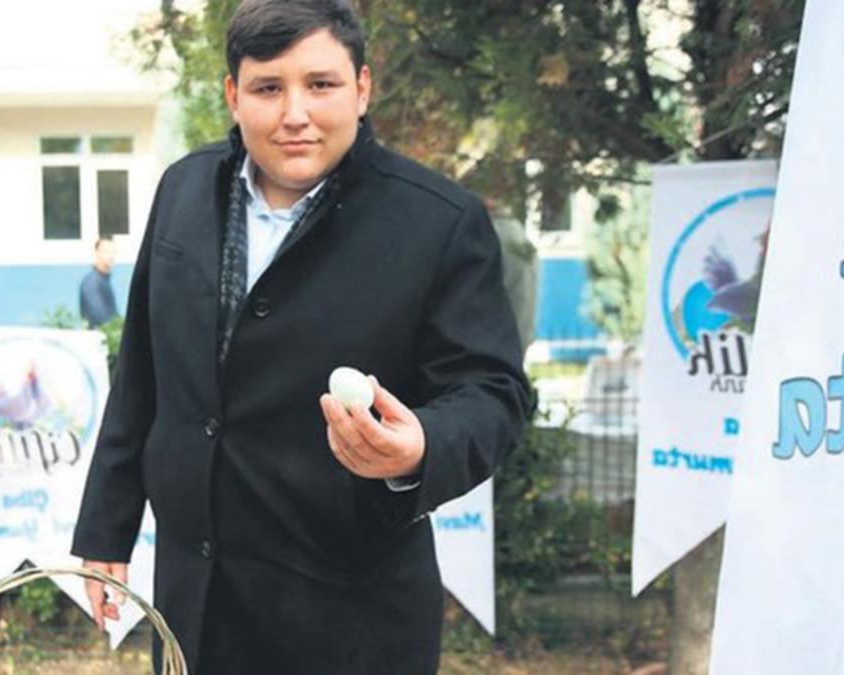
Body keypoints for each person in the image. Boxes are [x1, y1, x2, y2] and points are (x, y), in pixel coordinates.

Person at [72, 1, 533, 672]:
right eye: (268, 87)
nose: (295, 113)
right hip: (195, 604)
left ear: (362, 88)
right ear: (233, 95)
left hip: (349, 622)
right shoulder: (183, 191)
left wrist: (422, 446)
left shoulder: (438, 222)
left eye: (321, 84)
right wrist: (105, 527)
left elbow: (493, 391)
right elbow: (142, 369)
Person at [79, 237, 119, 327]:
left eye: (113, 252)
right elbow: (101, 318)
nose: (110, 256)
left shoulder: (104, 280)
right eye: (106, 252)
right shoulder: (91, 283)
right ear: (96, 253)